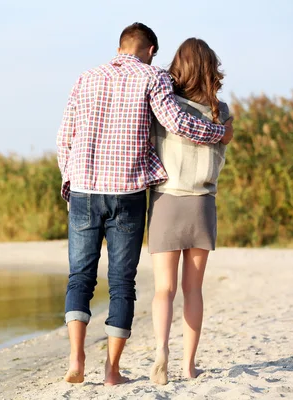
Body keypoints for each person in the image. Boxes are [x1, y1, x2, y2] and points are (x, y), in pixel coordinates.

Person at [56, 24, 233, 386]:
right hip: (139, 192)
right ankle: (114, 371)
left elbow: (64, 137)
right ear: (150, 49)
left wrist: (69, 181)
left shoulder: (85, 78)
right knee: (124, 282)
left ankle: (78, 357)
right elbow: (176, 122)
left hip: (95, 191)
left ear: (120, 45)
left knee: (82, 277)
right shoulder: (158, 80)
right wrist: (219, 133)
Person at [147, 38, 232, 385]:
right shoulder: (221, 111)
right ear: (211, 67)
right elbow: (222, 151)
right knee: (193, 289)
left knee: (163, 289)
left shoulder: (163, 107)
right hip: (201, 203)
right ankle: (189, 365)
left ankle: (161, 351)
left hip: (166, 201)